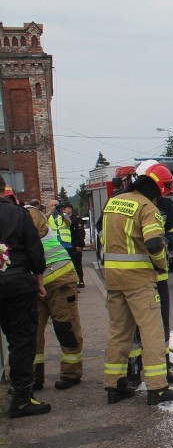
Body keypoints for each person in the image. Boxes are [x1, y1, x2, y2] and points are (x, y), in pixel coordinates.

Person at [101, 162, 173, 406]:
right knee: (152, 331)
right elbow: (155, 244)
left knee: (119, 331)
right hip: (139, 279)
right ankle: (157, 387)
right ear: (155, 186)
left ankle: (114, 385)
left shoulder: (113, 203)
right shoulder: (147, 207)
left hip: (114, 278)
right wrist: (160, 265)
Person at [125, 160, 173, 386]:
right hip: (134, 276)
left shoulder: (166, 205)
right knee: (131, 328)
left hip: (158, 276)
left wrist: (167, 241)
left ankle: (164, 367)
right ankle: (132, 372)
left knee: (161, 326)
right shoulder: (125, 203)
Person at [0, 177, 51, 418]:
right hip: (18, 285)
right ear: (4, 190)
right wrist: (39, 280)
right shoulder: (18, 214)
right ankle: (21, 397)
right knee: (21, 340)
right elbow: (34, 249)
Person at [24, 200, 85, 390]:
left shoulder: (28, 213)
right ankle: (34, 376)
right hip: (36, 282)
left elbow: (36, 235)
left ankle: (71, 373)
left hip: (59, 278)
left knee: (65, 327)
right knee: (32, 332)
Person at [63, 202, 87, 288]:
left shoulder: (77, 219)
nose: (64, 211)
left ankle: (80, 281)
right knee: (70, 264)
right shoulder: (63, 218)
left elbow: (80, 232)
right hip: (68, 245)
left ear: (70, 209)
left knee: (77, 263)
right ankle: (73, 281)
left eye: (65, 209)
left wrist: (79, 245)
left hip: (75, 244)